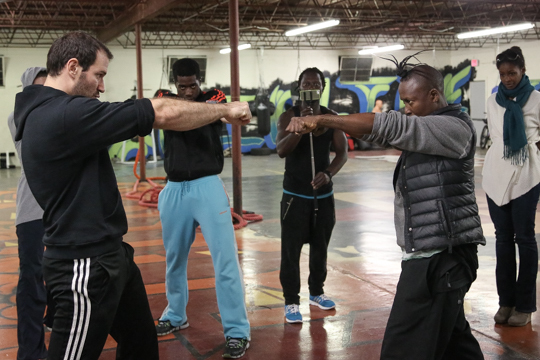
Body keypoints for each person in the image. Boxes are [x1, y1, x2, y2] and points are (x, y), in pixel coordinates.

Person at [13, 32, 251, 360]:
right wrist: (225, 111)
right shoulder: (63, 117)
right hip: (84, 265)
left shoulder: (60, 112)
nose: (102, 86)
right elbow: (162, 112)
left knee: (140, 345)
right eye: (99, 75)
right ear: (72, 67)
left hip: (112, 256)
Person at [286, 57, 485, 359]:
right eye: (403, 101)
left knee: (401, 348)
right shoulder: (429, 126)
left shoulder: (453, 128)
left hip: (440, 257)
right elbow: (377, 132)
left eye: (411, 101)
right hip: (436, 255)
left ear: (434, 95)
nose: (406, 107)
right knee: (455, 346)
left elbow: (388, 126)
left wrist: (325, 120)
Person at [155, 58, 250, 358]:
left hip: (207, 186)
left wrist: (232, 112)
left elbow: (231, 114)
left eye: (192, 85)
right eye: (181, 86)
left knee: (225, 261)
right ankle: (175, 315)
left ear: (199, 80)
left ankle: (237, 330)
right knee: (174, 260)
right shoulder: (163, 99)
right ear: (174, 83)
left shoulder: (214, 98)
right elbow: (169, 114)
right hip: (173, 188)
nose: (187, 91)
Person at [276, 67, 347, 323]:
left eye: (315, 84)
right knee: (291, 251)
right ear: (299, 87)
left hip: (323, 197)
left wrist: (328, 173)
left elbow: (342, 154)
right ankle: (291, 301)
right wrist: (299, 129)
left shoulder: (331, 118)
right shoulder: (288, 117)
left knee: (320, 248)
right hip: (295, 196)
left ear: (322, 88)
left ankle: (316, 292)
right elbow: (281, 150)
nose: (310, 88)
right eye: (305, 84)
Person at [482, 46, 540, 327]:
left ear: (523, 71)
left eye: (512, 73)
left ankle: (526, 305)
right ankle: (506, 301)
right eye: (503, 74)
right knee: (502, 239)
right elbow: (494, 136)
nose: (507, 79)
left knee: (525, 238)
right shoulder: (493, 101)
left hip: (526, 174)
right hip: (496, 172)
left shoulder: (537, 100)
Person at [8, 66, 55, 360]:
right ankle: (30, 351)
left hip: (63, 204)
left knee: (67, 271)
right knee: (32, 277)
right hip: (32, 207)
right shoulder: (18, 116)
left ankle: (56, 320)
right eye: (36, 88)